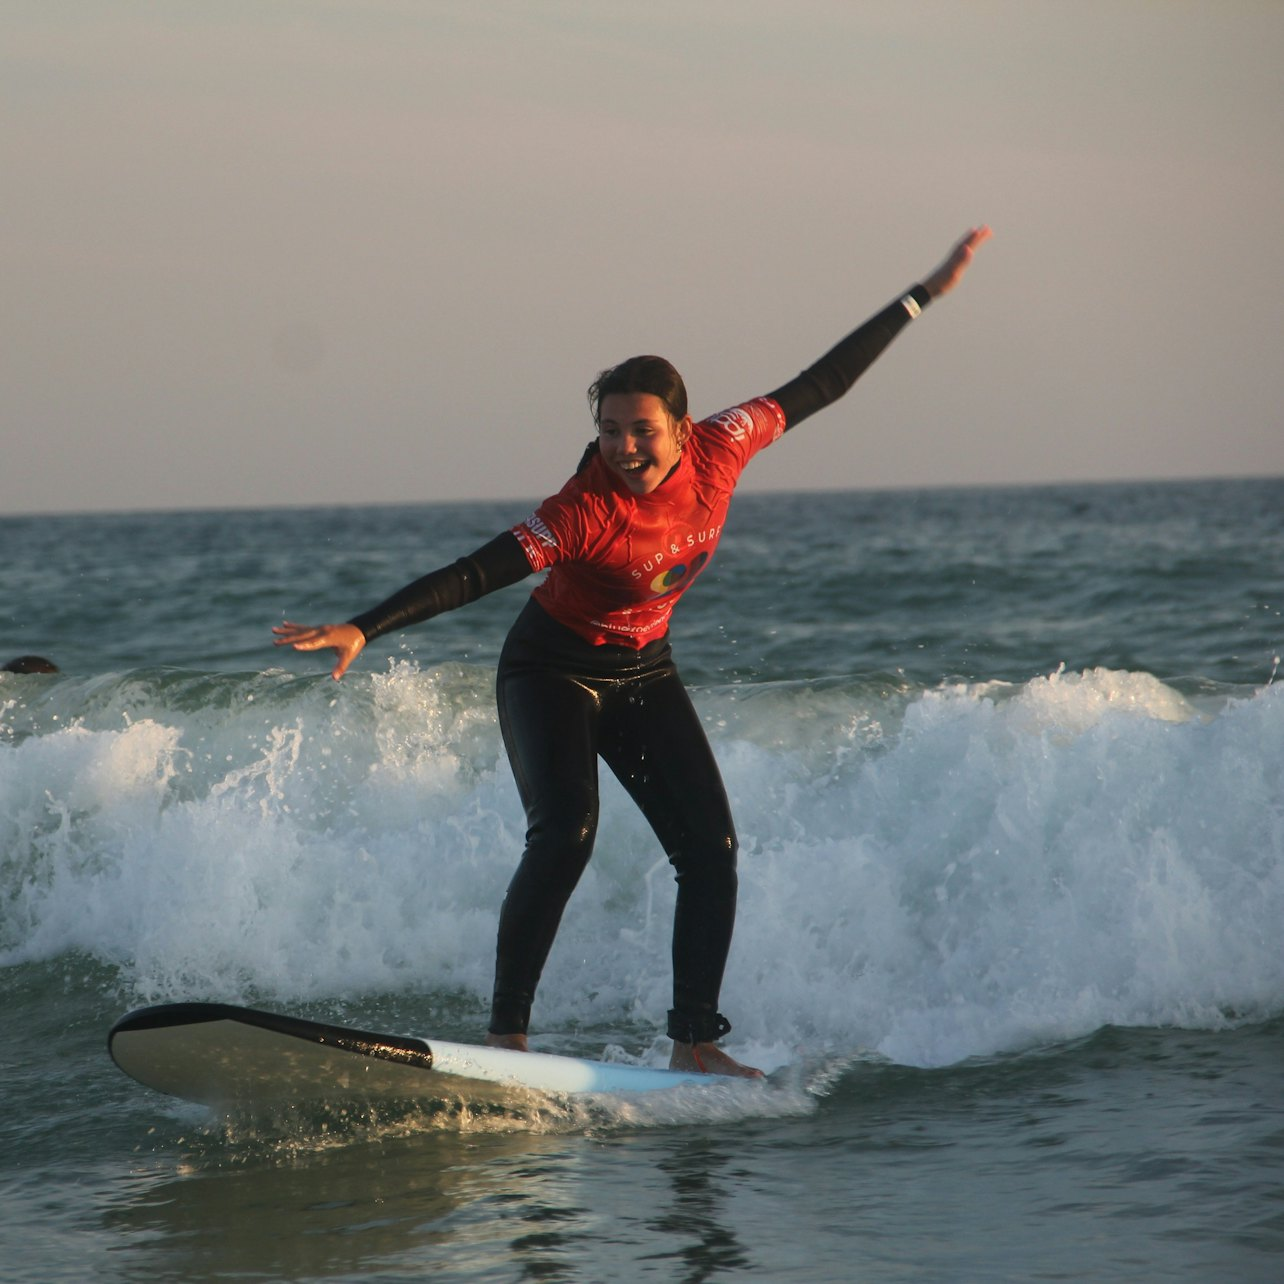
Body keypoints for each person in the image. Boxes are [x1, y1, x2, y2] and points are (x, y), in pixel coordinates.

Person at [275, 226, 992, 1077]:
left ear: (683, 429)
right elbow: (475, 574)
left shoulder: (726, 445)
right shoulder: (583, 511)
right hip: (550, 669)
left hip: (643, 670)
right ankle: (508, 1041)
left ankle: (694, 1044)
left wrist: (924, 293)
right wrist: (366, 624)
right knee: (567, 832)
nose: (624, 448)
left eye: (642, 430)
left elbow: (822, 383)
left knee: (712, 854)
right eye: (609, 430)